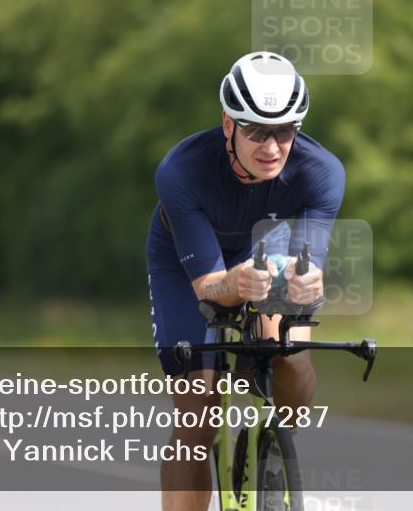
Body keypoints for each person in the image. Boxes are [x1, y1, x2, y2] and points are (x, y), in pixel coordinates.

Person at [146, 51, 346, 511]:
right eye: (256, 131)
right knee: (198, 414)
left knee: (289, 358)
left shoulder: (323, 172)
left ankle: (270, 430)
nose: (271, 147)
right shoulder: (180, 171)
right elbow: (209, 287)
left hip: (268, 248)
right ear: (227, 124)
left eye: (285, 132)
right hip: (188, 265)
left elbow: (308, 263)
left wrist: (304, 287)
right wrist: (237, 282)